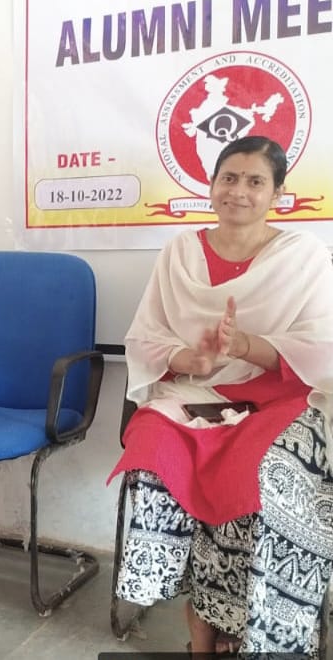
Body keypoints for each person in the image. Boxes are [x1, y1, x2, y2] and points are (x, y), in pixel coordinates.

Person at [109, 135, 333, 658]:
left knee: (271, 470)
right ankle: (198, 624)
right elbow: (145, 336)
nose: (239, 191)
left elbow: (322, 349)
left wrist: (247, 346)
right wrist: (193, 359)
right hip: (193, 390)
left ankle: (255, 625)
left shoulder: (304, 256)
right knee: (153, 452)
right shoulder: (180, 252)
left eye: (256, 181)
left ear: (278, 193)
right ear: (211, 186)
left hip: (281, 396)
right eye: (228, 178)